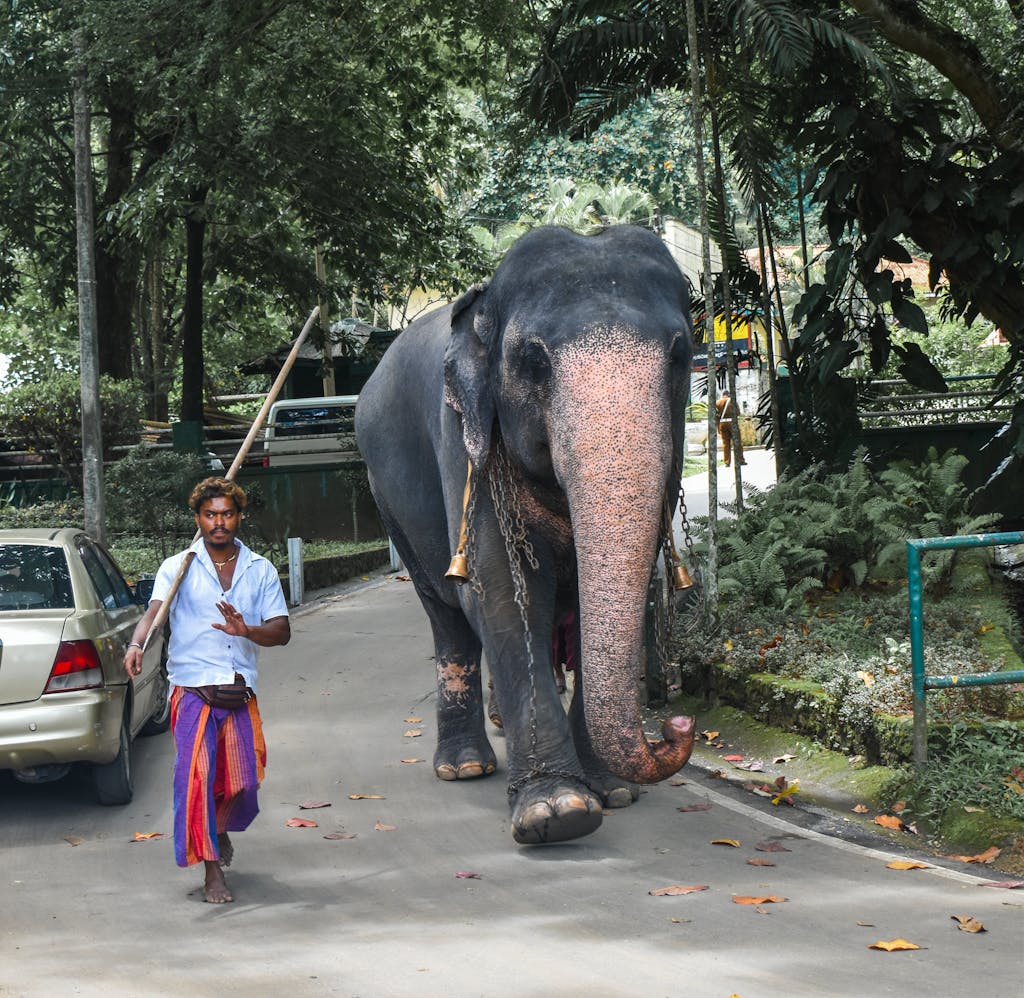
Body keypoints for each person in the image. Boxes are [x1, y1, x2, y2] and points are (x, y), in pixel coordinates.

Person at [124, 477, 290, 904]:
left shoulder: (260, 569)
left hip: (239, 694)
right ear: (198, 519)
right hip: (193, 693)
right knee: (197, 780)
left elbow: (282, 632)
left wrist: (246, 629)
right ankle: (212, 871)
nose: (220, 522)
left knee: (242, 782)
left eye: (227, 513)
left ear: (239, 516)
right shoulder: (177, 567)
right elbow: (154, 613)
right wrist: (137, 644)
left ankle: (218, 827)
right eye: (211, 514)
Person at [715, 394, 745, 467]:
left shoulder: (717, 402)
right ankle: (740, 460)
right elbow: (738, 413)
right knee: (737, 442)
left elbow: (716, 416)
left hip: (722, 423)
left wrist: (718, 427)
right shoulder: (732, 401)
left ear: (723, 395)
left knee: (725, 443)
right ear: (728, 395)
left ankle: (727, 462)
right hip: (732, 422)